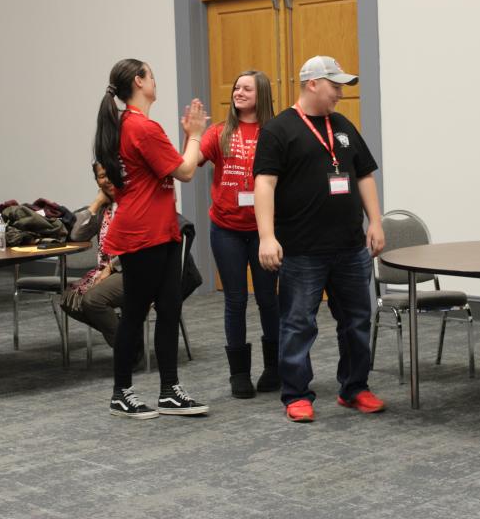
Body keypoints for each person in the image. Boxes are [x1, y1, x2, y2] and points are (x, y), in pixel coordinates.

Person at [254, 55, 386, 422]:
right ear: (312, 84)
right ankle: (296, 394)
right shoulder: (279, 130)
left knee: (358, 319)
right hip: (301, 249)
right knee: (298, 323)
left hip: (349, 247)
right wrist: (267, 236)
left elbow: (363, 176)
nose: (341, 94)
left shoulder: (343, 126)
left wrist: (375, 221)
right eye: (335, 85)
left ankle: (355, 388)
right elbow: (264, 183)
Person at [94, 58, 209, 419]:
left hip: (159, 230)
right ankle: (121, 393)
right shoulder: (141, 127)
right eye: (152, 76)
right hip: (144, 234)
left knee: (169, 309)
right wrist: (194, 134)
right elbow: (186, 170)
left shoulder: (126, 125)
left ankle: (169, 391)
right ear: (139, 82)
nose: (155, 82)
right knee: (135, 314)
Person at [198, 70, 280, 398]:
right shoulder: (220, 132)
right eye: (236, 87)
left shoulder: (274, 133)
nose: (238, 92)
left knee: (267, 299)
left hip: (264, 231)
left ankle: (274, 368)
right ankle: (239, 374)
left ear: (261, 94)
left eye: (247, 88)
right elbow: (190, 163)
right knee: (234, 299)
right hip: (226, 229)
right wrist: (191, 137)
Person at [60, 162, 147, 358]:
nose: (106, 180)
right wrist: (96, 203)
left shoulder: (133, 201)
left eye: (110, 174)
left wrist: (111, 268)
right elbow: (76, 235)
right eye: (101, 176)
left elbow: (138, 244)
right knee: (69, 299)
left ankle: (128, 351)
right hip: (108, 269)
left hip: (134, 268)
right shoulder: (105, 208)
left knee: (93, 301)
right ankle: (126, 336)